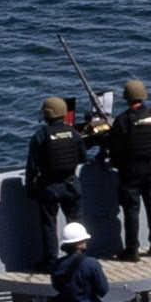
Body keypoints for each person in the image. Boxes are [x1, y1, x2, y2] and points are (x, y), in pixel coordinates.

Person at [101, 79, 151, 255]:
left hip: (131, 172)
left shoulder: (123, 120)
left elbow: (115, 146)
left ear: (127, 97)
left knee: (131, 210)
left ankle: (132, 249)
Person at [19, 94, 89, 260]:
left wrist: (30, 188)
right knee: (76, 223)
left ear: (47, 115)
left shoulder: (40, 136)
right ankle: (78, 256)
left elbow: (32, 166)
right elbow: (83, 157)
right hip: (71, 183)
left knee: (49, 225)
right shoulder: (74, 133)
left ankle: (51, 261)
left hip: (49, 186)